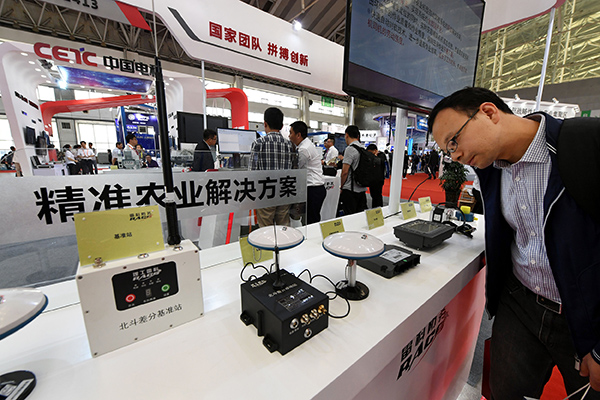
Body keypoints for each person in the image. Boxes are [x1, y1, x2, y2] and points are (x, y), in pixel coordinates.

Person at [428, 86, 600, 399]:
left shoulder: (586, 143)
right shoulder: (491, 169)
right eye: (448, 151)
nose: (455, 156)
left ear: (488, 113)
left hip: (587, 314)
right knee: (505, 392)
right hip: (519, 304)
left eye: (454, 141)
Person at [249, 107, 295, 227]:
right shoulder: (290, 145)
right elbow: (294, 169)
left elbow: (252, 172)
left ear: (265, 124)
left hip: (265, 192)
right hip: (285, 191)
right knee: (284, 226)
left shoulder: (258, 143)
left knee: (266, 228)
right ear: (281, 126)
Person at [289, 121, 326, 224]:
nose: (289, 136)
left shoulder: (304, 149)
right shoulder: (306, 145)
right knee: (310, 220)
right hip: (315, 188)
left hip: (313, 189)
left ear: (298, 135)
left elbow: (296, 169)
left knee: (311, 221)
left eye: (291, 133)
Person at [339, 125, 367, 215]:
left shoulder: (350, 149)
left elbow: (345, 172)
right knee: (359, 216)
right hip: (362, 188)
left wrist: (341, 186)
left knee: (349, 216)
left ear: (346, 135)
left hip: (350, 190)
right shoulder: (362, 148)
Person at [366, 144, 386, 208]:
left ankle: (379, 208)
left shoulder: (381, 155)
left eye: (370, 152)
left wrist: (374, 156)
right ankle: (374, 208)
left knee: (377, 195)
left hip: (379, 179)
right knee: (373, 195)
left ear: (375, 150)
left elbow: (380, 162)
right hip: (372, 179)